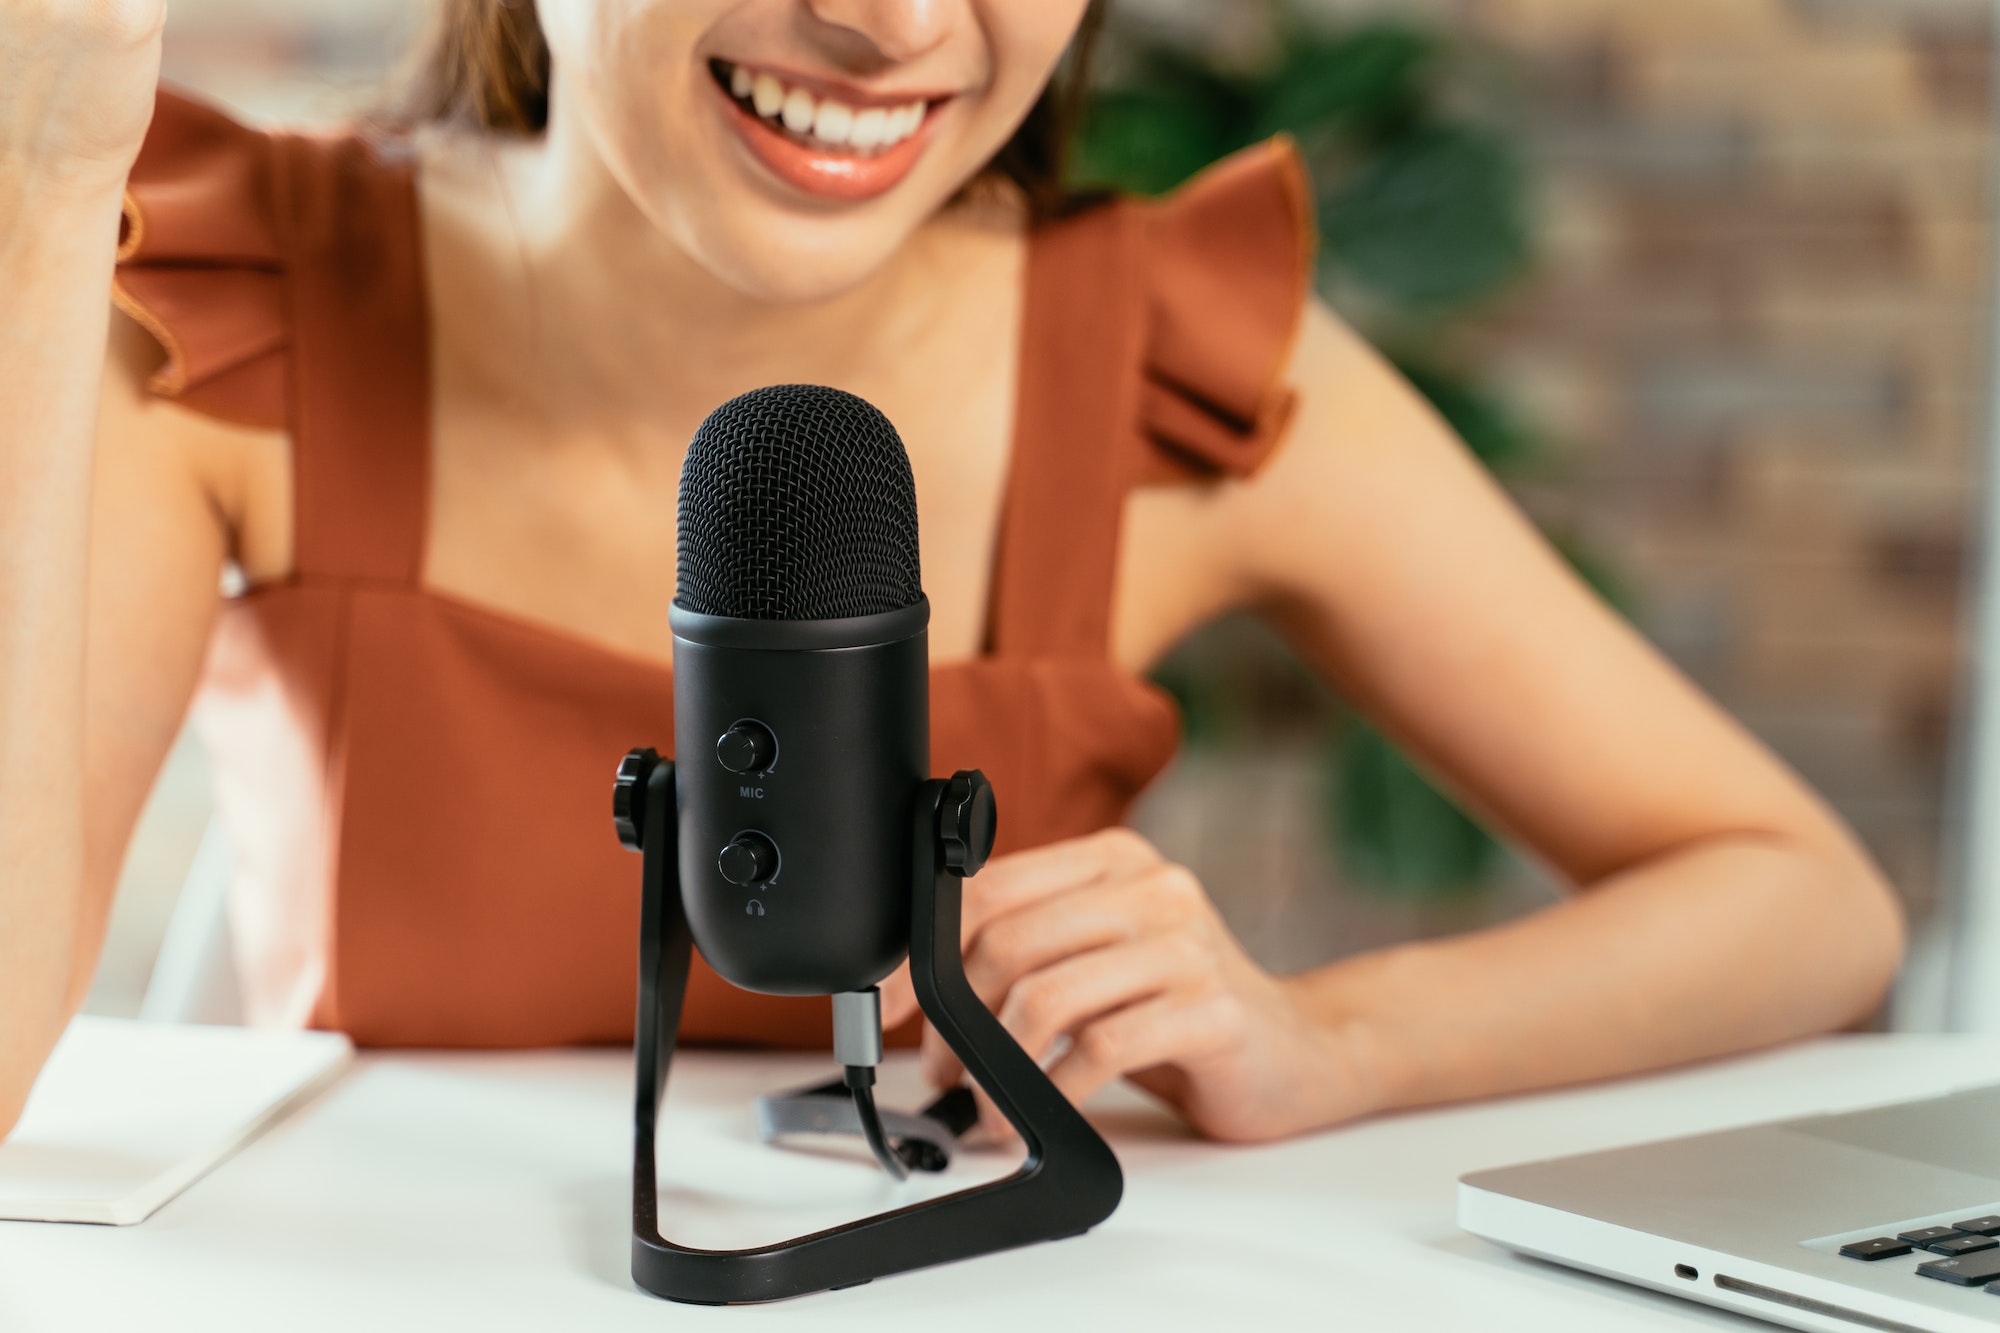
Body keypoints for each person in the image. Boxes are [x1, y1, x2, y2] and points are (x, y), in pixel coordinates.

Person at [0, 0, 1904, 1147]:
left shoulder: (1179, 363)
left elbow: (1805, 903)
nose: (900, 20)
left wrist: (1337, 1037)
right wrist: (40, 191)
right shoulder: (219, 307)